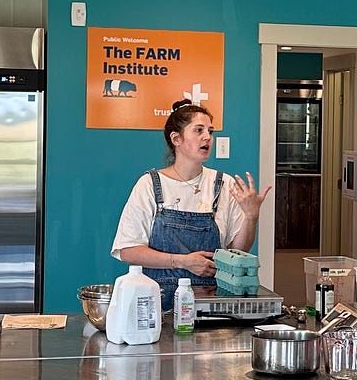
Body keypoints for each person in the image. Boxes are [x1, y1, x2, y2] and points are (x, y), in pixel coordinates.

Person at [111, 100, 270, 308]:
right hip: (156, 304)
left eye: (210, 132)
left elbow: (236, 251)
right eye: (199, 130)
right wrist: (183, 261)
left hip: (211, 301)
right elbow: (127, 250)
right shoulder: (150, 184)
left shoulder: (224, 184)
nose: (208, 138)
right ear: (176, 138)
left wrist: (252, 217)